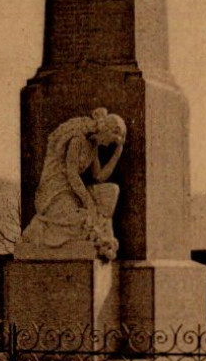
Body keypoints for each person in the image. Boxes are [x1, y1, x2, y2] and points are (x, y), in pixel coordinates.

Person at [18, 107, 126, 261]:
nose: (109, 145)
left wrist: (118, 152)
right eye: (112, 140)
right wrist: (87, 201)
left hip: (74, 190)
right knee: (80, 220)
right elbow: (72, 174)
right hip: (56, 191)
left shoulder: (93, 145)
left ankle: (99, 236)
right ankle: (40, 229)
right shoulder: (78, 139)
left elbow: (99, 176)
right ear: (105, 130)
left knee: (112, 191)